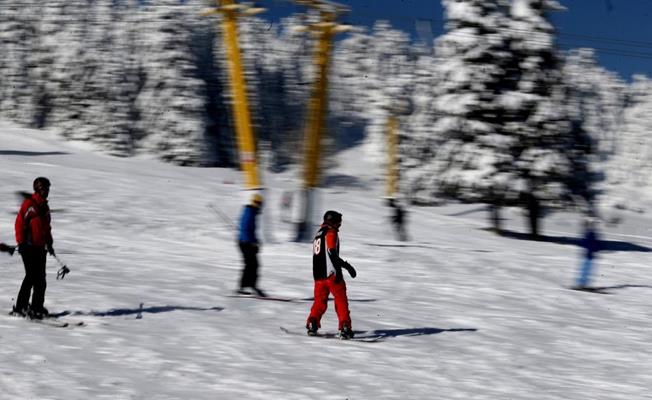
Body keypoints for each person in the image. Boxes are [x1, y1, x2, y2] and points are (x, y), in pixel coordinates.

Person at [306, 210, 357, 339]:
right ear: (333, 221)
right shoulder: (330, 232)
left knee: (319, 302)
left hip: (318, 276)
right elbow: (331, 252)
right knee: (341, 300)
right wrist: (343, 268)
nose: (340, 225)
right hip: (331, 274)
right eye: (339, 222)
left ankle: (312, 322)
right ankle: (345, 327)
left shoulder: (318, 234)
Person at [12, 177, 55, 319]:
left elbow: (46, 228)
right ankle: (20, 307)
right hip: (28, 247)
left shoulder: (45, 207)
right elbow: (19, 224)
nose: (47, 191)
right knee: (31, 276)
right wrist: (21, 242)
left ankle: (36, 307)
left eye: (48, 189)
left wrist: (49, 243)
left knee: (41, 279)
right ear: (38, 189)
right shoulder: (29, 205)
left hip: (40, 247)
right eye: (44, 189)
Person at [236, 193, 266, 297]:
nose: (261, 206)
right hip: (245, 243)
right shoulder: (249, 212)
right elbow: (246, 230)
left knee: (252, 265)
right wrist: (252, 243)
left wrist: (256, 241)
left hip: (247, 242)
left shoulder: (252, 212)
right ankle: (246, 287)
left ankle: (248, 287)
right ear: (256, 203)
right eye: (260, 204)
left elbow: (252, 231)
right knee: (251, 265)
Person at [573, 217, 602, 290]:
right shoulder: (588, 233)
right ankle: (581, 284)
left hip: (591, 254)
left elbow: (597, 243)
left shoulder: (593, 233)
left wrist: (597, 249)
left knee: (588, 270)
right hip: (588, 254)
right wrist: (593, 249)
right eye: (593, 224)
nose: (594, 226)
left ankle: (584, 284)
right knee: (585, 270)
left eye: (594, 224)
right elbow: (585, 243)